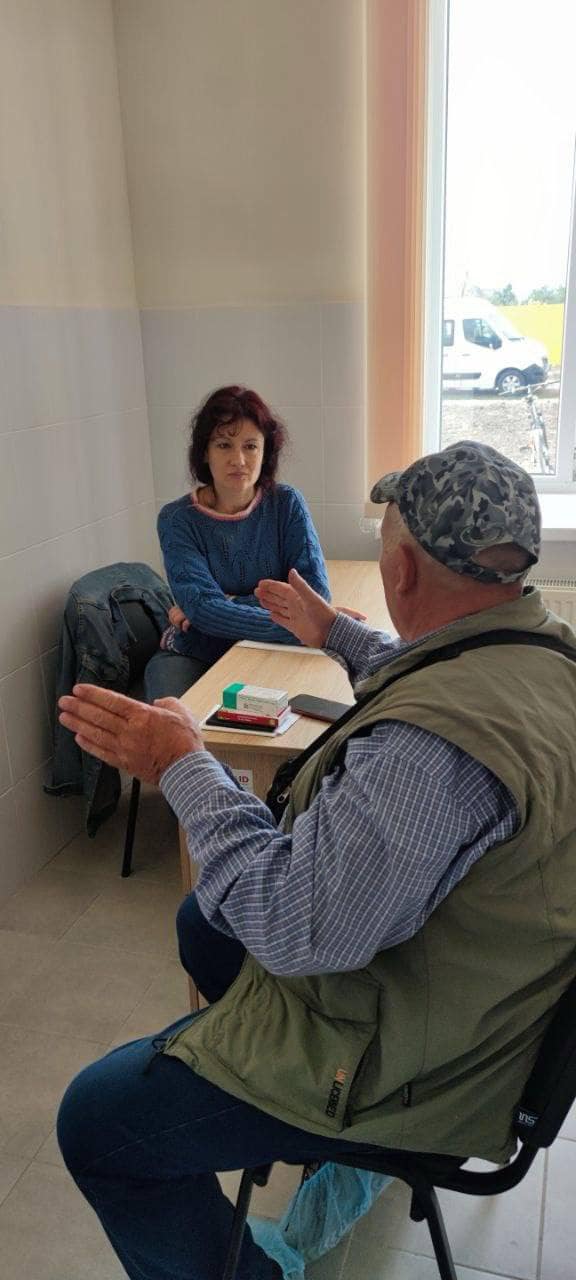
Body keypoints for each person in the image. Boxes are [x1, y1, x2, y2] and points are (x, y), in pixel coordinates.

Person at [56, 441, 576, 1280]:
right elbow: (438, 669)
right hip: (476, 998)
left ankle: (320, 1137)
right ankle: (291, 1113)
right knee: (204, 922)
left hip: (422, 1061)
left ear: (401, 570)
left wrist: (183, 763)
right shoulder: (542, 653)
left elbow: (293, 926)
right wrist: (334, 632)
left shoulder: (427, 754)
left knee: (95, 1123)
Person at [145, 384, 331, 700]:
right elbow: (204, 611)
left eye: (250, 446)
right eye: (224, 445)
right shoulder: (177, 519)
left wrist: (226, 604)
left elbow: (314, 594)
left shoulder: (287, 504)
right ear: (205, 452)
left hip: (272, 650)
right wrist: (303, 626)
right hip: (196, 651)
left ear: (265, 451)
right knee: (172, 719)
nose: (239, 460)